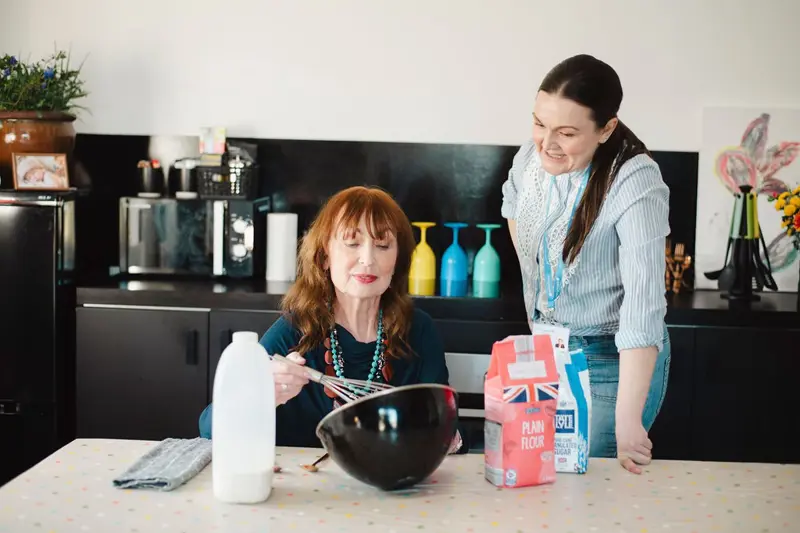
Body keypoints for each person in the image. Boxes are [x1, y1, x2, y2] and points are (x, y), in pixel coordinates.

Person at [199, 185, 464, 454]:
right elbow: (209, 429)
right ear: (325, 257)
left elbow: (445, 426)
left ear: (397, 260)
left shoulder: (418, 330)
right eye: (352, 243)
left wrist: (443, 434)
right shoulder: (296, 331)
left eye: (383, 245)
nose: (367, 259)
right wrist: (262, 394)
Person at [501, 54, 670, 474]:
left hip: (610, 358)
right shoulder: (531, 159)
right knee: (540, 479)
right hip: (548, 349)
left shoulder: (634, 179)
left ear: (606, 129)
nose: (547, 142)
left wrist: (629, 419)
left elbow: (643, 307)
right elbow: (512, 205)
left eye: (567, 132)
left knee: (591, 486)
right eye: (539, 123)